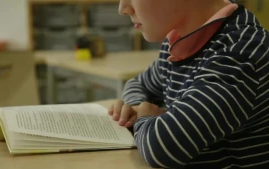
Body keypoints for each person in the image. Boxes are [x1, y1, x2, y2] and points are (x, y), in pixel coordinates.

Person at [108, 0, 269, 168]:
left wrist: (142, 117)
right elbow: (138, 84)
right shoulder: (179, 40)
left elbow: (162, 148)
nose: (123, 9)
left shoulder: (239, 55)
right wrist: (135, 107)